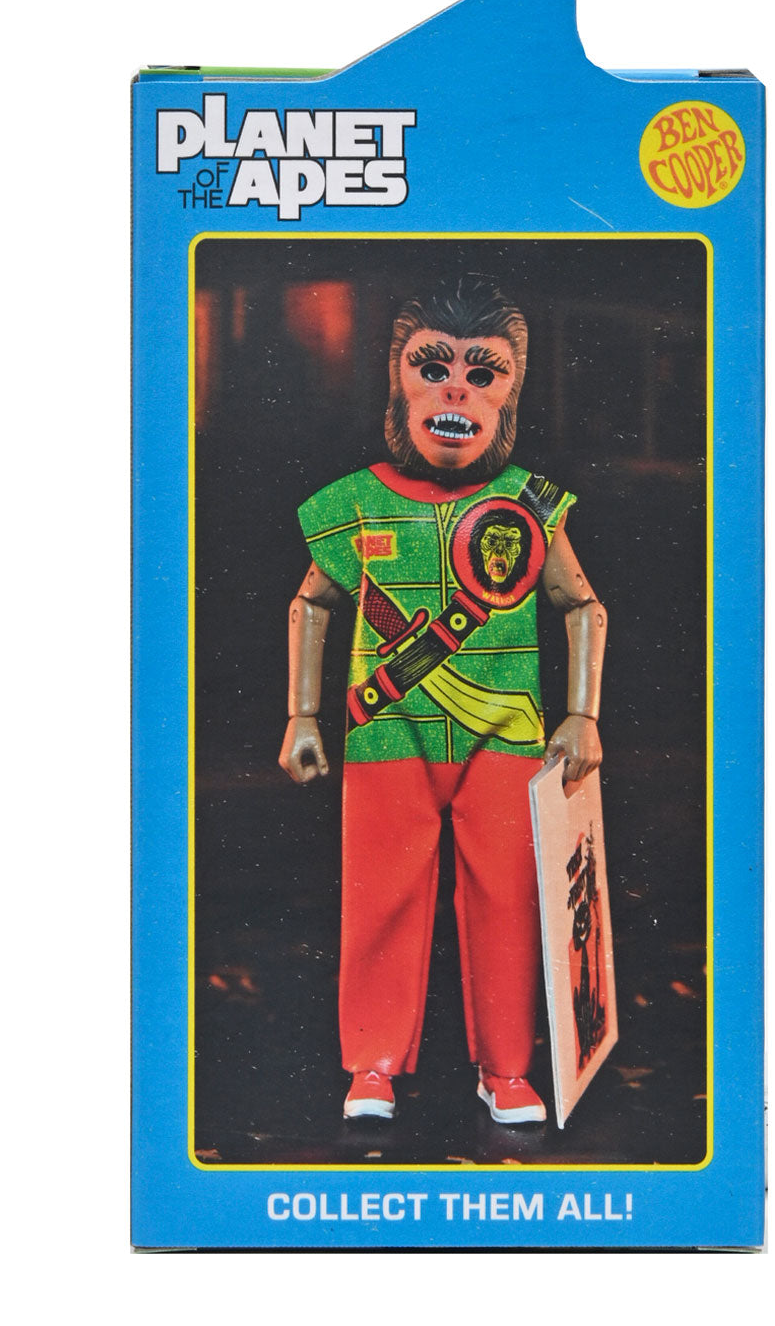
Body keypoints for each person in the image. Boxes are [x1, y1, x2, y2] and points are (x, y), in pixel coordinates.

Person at [279, 276, 606, 1125]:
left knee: (509, 899)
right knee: (380, 895)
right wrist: (301, 716)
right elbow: (312, 602)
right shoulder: (355, 504)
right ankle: (373, 1066)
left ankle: (507, 1069)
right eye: (434, 366)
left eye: (482, 372)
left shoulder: (532, 505)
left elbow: (583, 606)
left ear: (510, 394)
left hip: (507, 732)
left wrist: (583, 715)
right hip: (387, 730)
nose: (456, 389)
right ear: (397, 380)